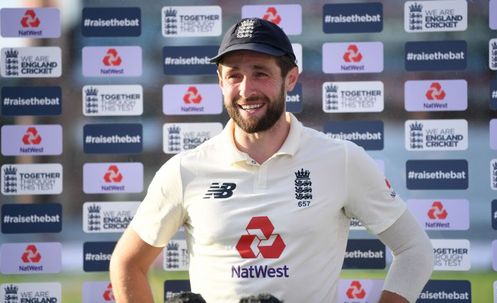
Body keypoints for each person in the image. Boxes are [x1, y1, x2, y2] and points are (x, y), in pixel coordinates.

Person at [110, 18, 434, 303]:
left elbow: (414, 251)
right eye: (234, 76)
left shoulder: (342, 160)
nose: (246, 89)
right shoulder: (186, 169)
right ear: (221, 82)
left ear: (290, 79)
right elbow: (128, 264)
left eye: (261, 73)